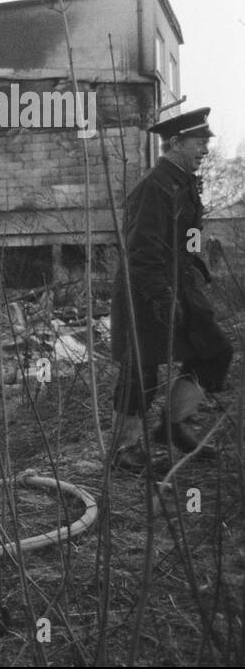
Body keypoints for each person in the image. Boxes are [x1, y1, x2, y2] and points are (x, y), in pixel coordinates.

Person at [109, 107, 233, 473]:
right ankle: (125, 452)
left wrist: (195, 267)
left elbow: (189, 237)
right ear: (176, 143)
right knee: (140, 370)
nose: (205, 151)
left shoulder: (185, 182)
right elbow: (141, 250)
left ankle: (172, 426)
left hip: (180, 281)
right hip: (146, 288)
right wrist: (162, 296)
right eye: (199, 143)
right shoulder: (155, 185)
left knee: (215, 350)